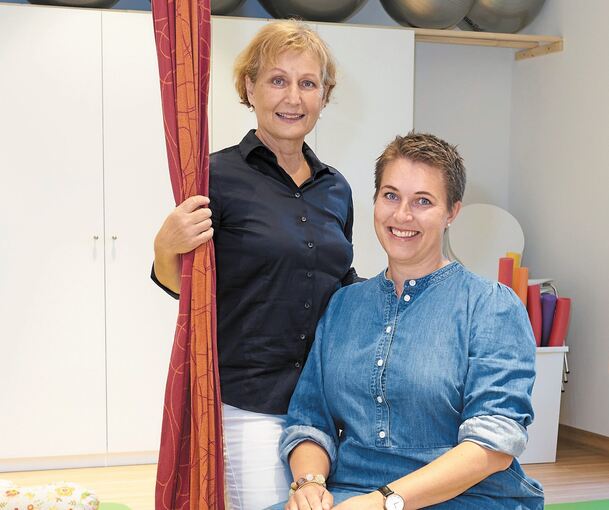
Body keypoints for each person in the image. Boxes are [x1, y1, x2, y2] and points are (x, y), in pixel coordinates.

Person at [269, 132, 544, 510]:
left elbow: (493, 444)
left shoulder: (490, 306)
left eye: (423, 202)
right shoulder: (343, 305)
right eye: (391, 195)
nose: (402, 215)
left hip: (471, 497)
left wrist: (383, 502)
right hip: (353, 492)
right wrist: (309, 483)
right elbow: (310, 420)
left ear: (452, 212)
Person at [151, 20, 359, 510]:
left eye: (308, 83)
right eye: (277, 80)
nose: (293, 97)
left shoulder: (337, 188)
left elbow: (340, 280)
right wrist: (165, 246)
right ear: (250, 87)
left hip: (325, 404)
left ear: (324, 96)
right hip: (249, 403)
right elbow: (184, 288)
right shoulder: (214, 175)